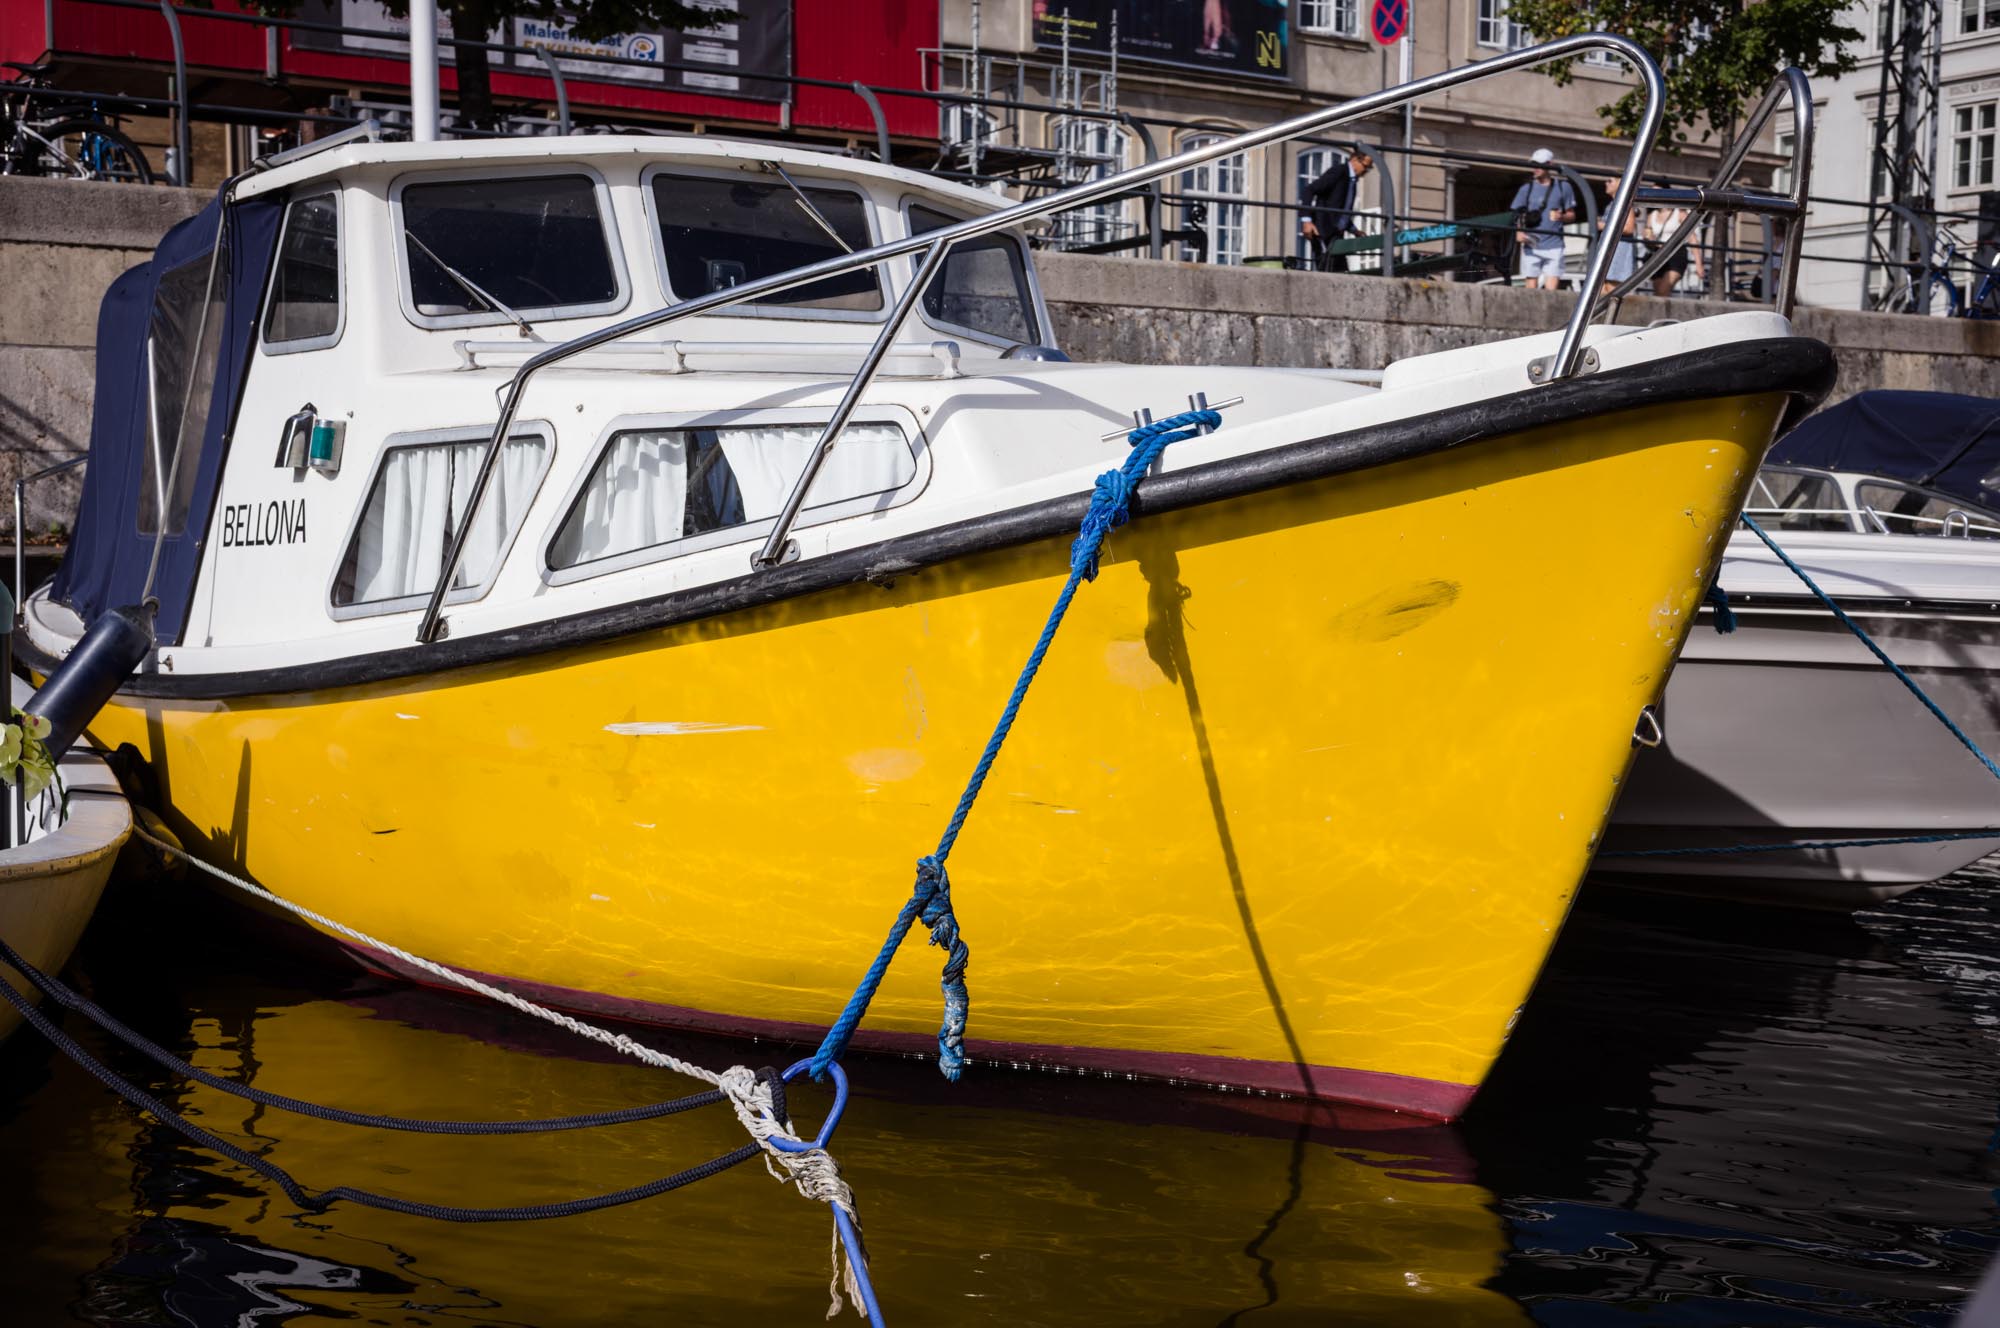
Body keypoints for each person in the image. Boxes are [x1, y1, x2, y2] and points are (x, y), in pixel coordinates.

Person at [1511, 147, 1577, 290]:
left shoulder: (1563, 187)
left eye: (1539, 164)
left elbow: (1572, 215)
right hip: (1531, 242)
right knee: (1530, 283)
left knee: (1551, 288)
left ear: (1549, 164)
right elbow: (1516, 213)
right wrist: (1518, 232)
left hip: (1554, 243)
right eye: (1533, 164)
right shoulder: (1526, 188)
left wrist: (1562, 216)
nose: (1536, 168)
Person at [1300, 146, 1373, 273]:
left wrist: (1354, 230)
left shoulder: (1352, 181)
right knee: (1326, 268)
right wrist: (1307, 221)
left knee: (1341, 272)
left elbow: (1340, 210)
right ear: (1355, 159)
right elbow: (1309, 190)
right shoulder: (1339, 172)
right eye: (1366, 166)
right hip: (1323, 231)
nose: (1366, 171)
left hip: (1336, 235)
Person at [1646, 203, 1702, 297]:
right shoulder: (1652, 215)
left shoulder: (1679, 213)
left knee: (1662, 290)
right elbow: (1647, 234)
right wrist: (1648, 238)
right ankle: (1664, 311)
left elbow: (1692, 238)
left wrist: (1698, 263)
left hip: (1676, 254)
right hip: (1658, 254)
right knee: (1659, 293)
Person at [1597, 174, 1639, 296]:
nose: (1606, 183)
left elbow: (1629, 228)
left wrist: (1604, 226)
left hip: (1619, 249)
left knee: (1612, 289)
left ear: (1620, 183)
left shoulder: (1625, 203)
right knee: (1602, 288)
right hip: (1610, 249)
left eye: (1610, 180)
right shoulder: (1610, 205)